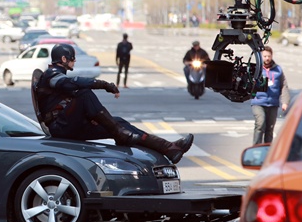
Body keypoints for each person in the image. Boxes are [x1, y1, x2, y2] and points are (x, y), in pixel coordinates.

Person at [36, 44, 193, 164]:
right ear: (64, 59)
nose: (74, 61)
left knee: (119, 122)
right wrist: (104, 84)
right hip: (60, 128)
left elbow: (70, 102)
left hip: (71, 125)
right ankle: (119, 133)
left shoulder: (56, 75)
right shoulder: (50, 75)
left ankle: (169, 148)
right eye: (72, 58)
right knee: (84, 93)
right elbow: (73, 83)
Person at [251, 46, 290, 144]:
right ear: (261, 56)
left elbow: (284, 86)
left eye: (269, 56)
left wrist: (285, 102)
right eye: (264, 56)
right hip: (258, 102)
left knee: (270, 128)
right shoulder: (256, 69)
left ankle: (267, 149)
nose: (267, 58)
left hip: (273, 104)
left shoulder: (278, 70)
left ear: (272, 56)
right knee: (260, 123)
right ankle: (256, 147)